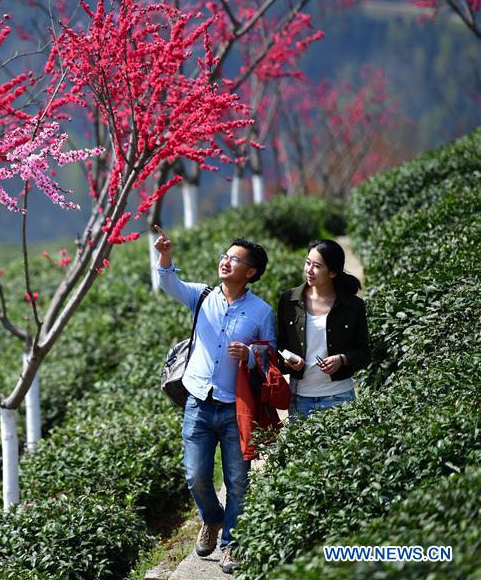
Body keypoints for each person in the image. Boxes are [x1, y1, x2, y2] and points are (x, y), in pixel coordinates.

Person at [153, 227, 276, 575]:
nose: (225, 261)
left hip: (236, 408)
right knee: (196, 476)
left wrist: (251, 354)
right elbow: (168, 283)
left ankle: (231, 544)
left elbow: (270, 355)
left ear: (250, 272)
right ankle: (213, 518)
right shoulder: (203, 296)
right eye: (225, 255)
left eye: (234, 259)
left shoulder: (261, 311)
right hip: (199, 402)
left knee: (238, 480)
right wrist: (164, 255)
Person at [277, 239, 370, 420]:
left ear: (333, 272)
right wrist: (288, 362)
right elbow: (279, 347)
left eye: (317, 266)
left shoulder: (353, 305)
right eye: (307, 262)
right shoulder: (289, 301)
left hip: (339, 397)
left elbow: (364, 354)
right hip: (299, 398)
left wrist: (342, 360)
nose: (309, 270)